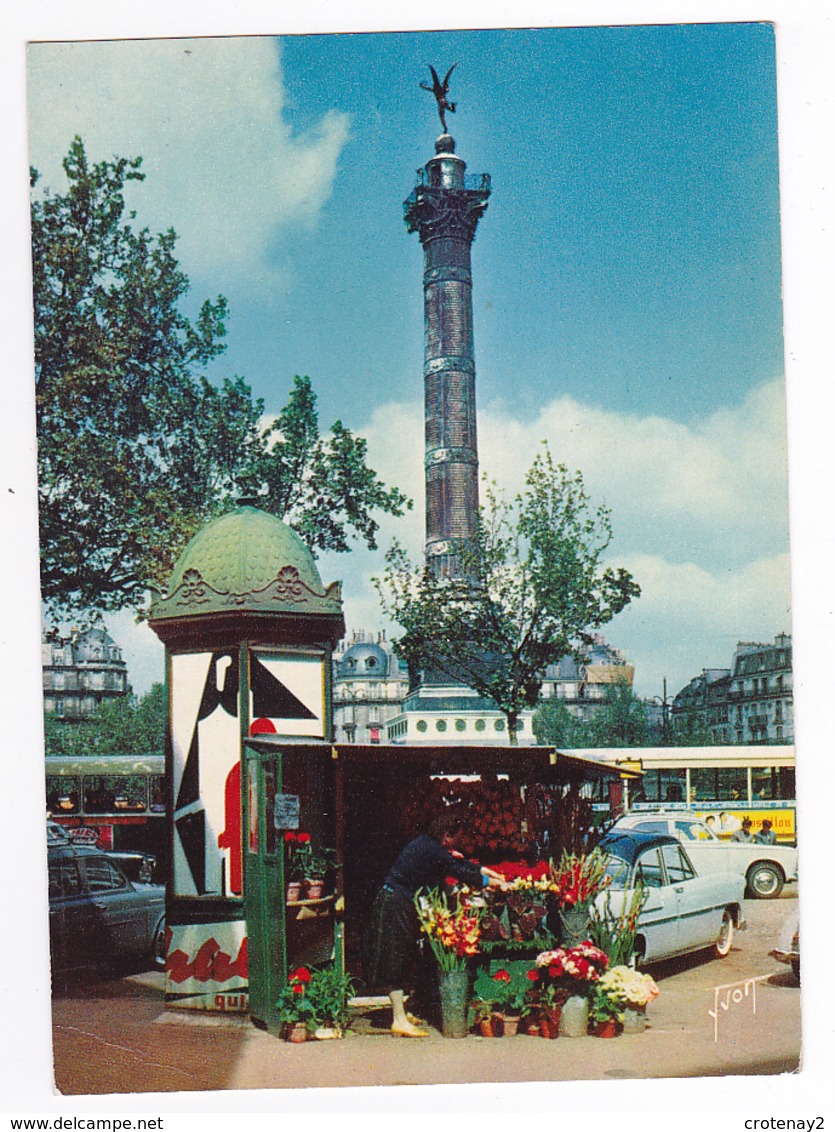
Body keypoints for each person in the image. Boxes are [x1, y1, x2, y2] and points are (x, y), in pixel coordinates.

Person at [366, 810, 504, 1038]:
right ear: (447, 835)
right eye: (457, 837)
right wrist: (492, 882)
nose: (459, 842)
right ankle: (398, 1020)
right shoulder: (430, 849)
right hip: (394, 903)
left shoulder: (429, 844)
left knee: (406, 957)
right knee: (395, 958)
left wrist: (483, 870)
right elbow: (456, 868)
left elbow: (455, 861)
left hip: (402, 902)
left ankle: (402, 1013)